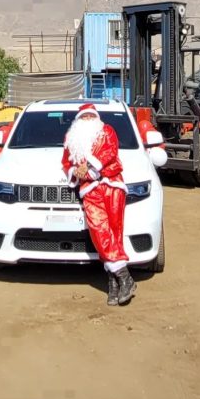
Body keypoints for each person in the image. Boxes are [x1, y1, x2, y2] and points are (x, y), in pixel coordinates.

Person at [61, 103, 136, 306]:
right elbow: (66, 162)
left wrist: (91, 168)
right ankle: (125, 276)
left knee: (114, 232)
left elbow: (109, 152)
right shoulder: (71, 139)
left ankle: (114, 285)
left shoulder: (107, 131)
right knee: (99, 232)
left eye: (89, 116)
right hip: (89, 190)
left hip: (112, 184)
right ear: (78, 120)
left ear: (96, 118)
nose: (86, 120)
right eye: (83, 117)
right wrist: (75, 172)